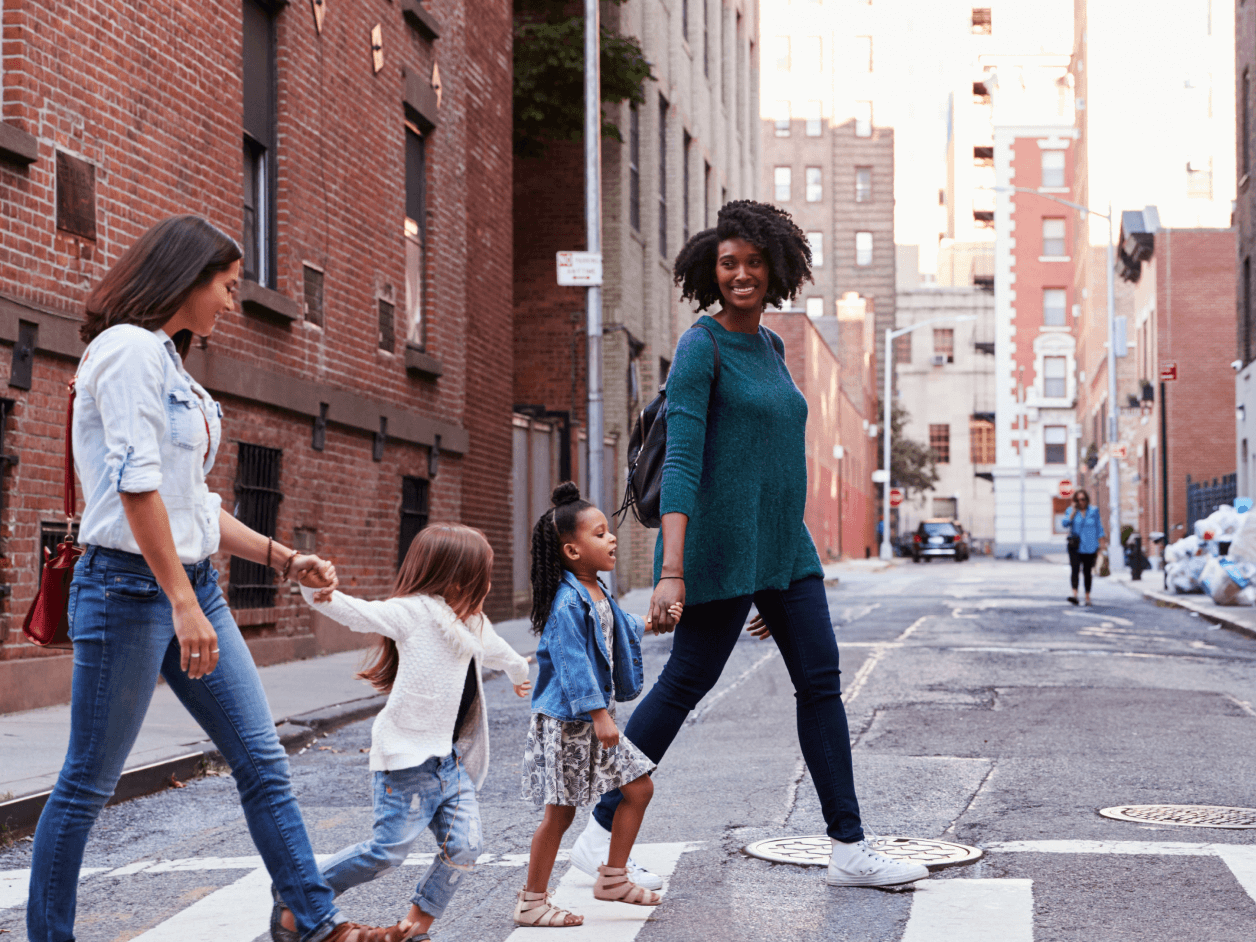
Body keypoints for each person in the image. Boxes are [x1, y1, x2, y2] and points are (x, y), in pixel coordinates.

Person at [27, 216, 383, 942]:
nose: (229, 301)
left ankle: (310, 920)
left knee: (261, 759)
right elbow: (136, 487)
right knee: (88, 783)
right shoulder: (127, 352)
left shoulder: (168, 362)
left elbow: (194, 505)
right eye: (224, 285)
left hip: (193, 587)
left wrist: (283, 559)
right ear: (185, 278)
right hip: (131, 591)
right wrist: (181, 602)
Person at [569, 200, 930, 889]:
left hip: (783, 552)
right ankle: (599, 828)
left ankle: (849, 848)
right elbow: (680, 463)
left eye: (753, 262)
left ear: (776, 268)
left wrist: (774, 571)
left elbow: (771, 459)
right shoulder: (702, 347)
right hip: (718, 549)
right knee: (686, 682)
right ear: (713, 271)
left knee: (821, 681)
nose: (741, 274)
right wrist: (671, 572)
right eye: (728, 263)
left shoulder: (769, 346)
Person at [273, 524, 532, 942]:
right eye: (485, 573)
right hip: (406, 766)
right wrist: (316, 591)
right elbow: (357, 613)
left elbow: (499, 650)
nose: (489, 583)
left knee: (465, 846)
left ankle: (414, 929)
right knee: (385, 854)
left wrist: (520, 670)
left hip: (449, 766)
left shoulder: (473, 623)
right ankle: (299, 898)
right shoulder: (414, 612)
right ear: (458, 578)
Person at [515, 483, 675, 927]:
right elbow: (572, 665)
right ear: (571, 550)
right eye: (600, 533)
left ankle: (613, 877)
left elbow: (615, 625)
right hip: (570, 723)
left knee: (639, 788)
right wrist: (600, 715)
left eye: (609, 531)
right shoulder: (566, 602)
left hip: (590, 720)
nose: (612, 539)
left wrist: (647, 623)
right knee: (560, 814)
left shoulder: (597, 590)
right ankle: (532, 901)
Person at [1064, 488, 1105, 606]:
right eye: (1077, 500)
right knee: (1075, 570)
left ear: (1087, 500)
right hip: (1075, 546)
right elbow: (1064, 523)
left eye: (1082, 499)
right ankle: (1075, 595)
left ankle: (1087, 597)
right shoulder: (1071, 510)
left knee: (1087, 572)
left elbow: (1099, 527)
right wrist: (1072, 513)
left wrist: (1102, 545)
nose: (1080, 502)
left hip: (1090, 546)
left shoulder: (1093, 511)